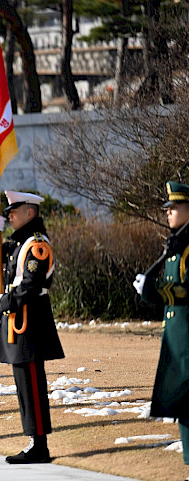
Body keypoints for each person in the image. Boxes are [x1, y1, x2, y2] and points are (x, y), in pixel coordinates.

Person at [0, 190, 64, 464]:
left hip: (31, 317)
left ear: (30, 213)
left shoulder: (37, 244)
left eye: (15, 210)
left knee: (32, 383)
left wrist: (5, 301)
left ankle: (39, 444)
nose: (10, 214)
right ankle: (33, 441)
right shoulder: (22, 242)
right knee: (23, 381)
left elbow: (31, 284)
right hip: (20, 317)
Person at [134, 180, 189, 467]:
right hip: (177, 337)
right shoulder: (177, 243)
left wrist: (151, 290)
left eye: (174, 208)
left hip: (187, 336)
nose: (168, 213)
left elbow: (184, 291)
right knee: (183, 405)